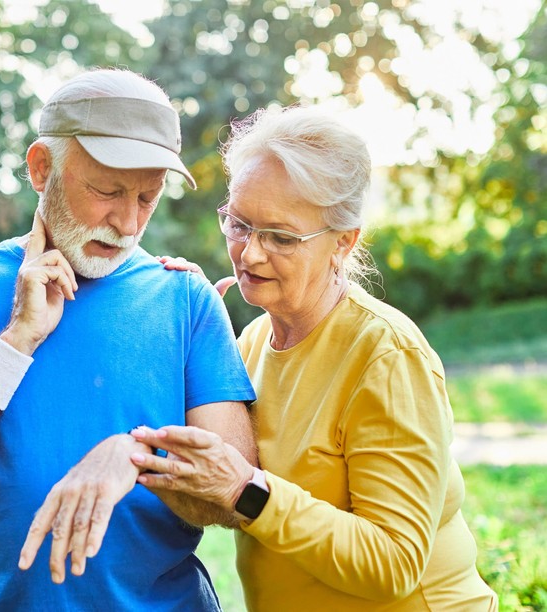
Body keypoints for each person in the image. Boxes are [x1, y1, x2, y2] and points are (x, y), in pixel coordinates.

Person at [0, 68, 256, 611]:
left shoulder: (187, 299)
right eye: (106, 191)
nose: (126, 222)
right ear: (40, 168)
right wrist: (15, 341)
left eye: (148, 197)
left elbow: (234, 498)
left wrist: (135, 456)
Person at [131, 105, 499, 610]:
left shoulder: (385, 355)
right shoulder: (249, 344)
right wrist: (187, 335)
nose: (250, 254)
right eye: (239, 224)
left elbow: (393, 564)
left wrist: (248, 489)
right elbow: (196, 477)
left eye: (281, 237)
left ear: (343, 242)